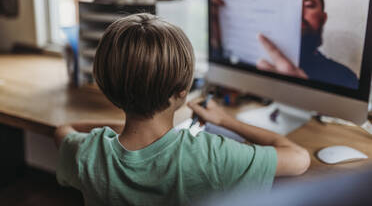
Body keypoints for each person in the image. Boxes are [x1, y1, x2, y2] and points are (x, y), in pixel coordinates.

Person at [54, 13, 310, 206]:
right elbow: (300, 159)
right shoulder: (211, 156)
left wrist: (119, 131)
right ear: (182, 92)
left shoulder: (88, 152)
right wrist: (225, 120)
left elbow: (63, 130)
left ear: (106, 86)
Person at [211, 0, 359, 89]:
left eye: (308, 6)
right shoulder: (252, 61)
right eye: (291, 6)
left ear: (323, 18)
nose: (298, 13)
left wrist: (300, 91)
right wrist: (219, 27)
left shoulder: (344, 77)